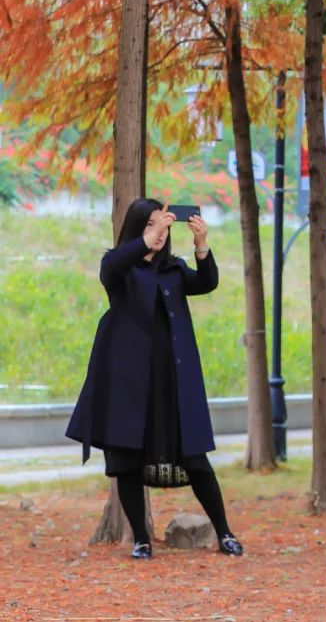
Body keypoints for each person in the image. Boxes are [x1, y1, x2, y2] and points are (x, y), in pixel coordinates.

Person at [66, 199, 244, 559]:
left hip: (173, 382)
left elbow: (206, 282)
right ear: (136, 229)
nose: (160, 232)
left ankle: (224, 532)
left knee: (195, 459)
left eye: (163, 225)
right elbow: (111, 265)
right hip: (129, 385)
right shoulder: (119, 269)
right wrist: (149, 239)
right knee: (127, 459)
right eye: (150, 225)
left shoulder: (173, 270)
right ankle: (141, 540)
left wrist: (201, 245)